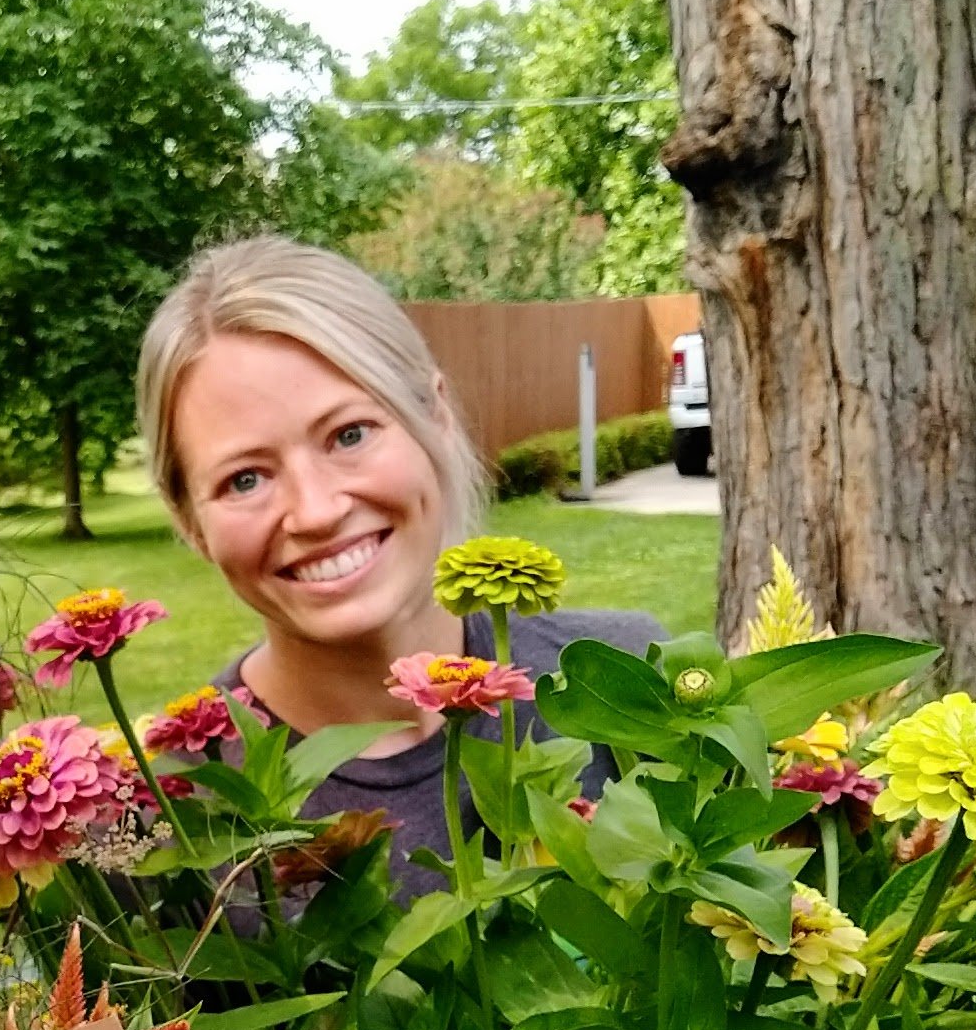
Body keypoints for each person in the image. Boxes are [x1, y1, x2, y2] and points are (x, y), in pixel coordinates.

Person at [136, 236, 664, 896]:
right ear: (189, 519)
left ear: (434, 416)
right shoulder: (168, 821)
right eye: (245, 478)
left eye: (349, 435)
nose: (316, 511)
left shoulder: (630, 680)